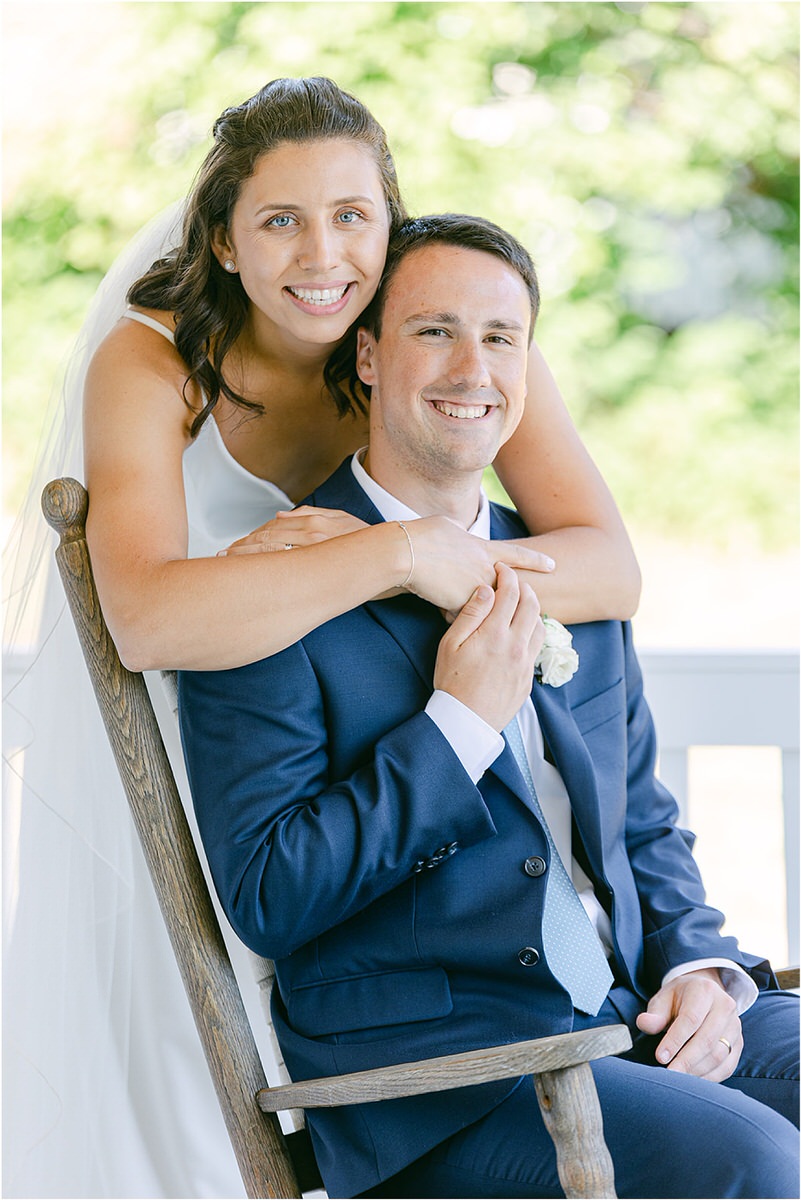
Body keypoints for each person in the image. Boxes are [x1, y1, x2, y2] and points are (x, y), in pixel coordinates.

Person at [3, 76, 640, 1198]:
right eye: (280, 221)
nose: (323, 256)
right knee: (169, 1094)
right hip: (214, 745)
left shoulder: (433, 337)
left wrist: (432, 565)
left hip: (384, 739)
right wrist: (395, 555)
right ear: (224, 240)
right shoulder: (155, 364)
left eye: (352, 216)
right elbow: (145, 618)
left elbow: (608, 565)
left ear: (391, 223)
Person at [179, 214, 799, 1200]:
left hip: (631, 1013)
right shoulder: (276, 589)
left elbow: (642, 824)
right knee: (754, 1161)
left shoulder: (565, 567)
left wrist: (699, 971)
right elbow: (272, 893)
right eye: (435, 331)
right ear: (368, 356)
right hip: (446, 1079)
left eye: (501, 338)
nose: (473, 368)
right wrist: (457, 727)